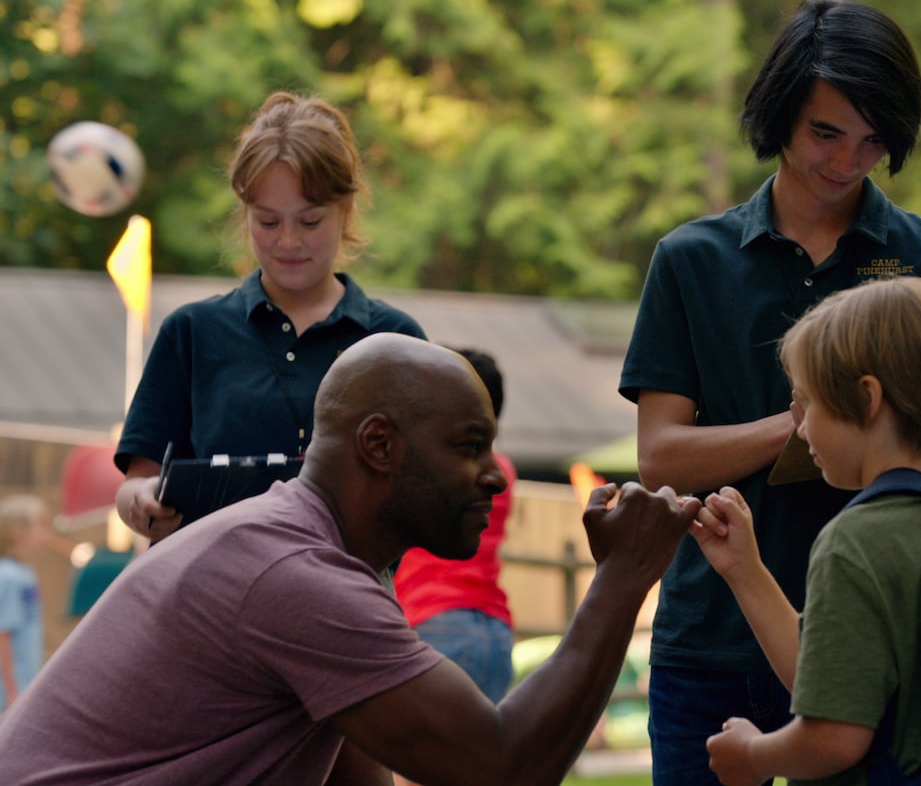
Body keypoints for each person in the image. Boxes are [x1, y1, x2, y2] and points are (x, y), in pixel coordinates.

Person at [0, 333, 702, 785]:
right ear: (378, 446)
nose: (493, 475)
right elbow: (501, 763)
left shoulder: (317, 557)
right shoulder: (295, 576)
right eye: (467, 446)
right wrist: (622, 577)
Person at [618, 0, 921, 783]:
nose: (846, 162)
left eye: (872, 141)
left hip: (878, 636)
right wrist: (804, 427)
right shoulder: (691, 260)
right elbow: (658, 460)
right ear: (780, 112)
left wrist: (838, 433)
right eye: (827, 133)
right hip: (713, 640)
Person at [693, 276, 921, 785]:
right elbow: (828, 676)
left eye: (807, 403)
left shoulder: (855, 542)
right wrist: (744, 569)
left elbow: (834, 734)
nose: (800, 428)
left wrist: (754, 755)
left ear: (867, 398)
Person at [115, 91, 426, 543]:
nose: (288, 241)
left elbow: (421, 488)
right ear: (245, 214)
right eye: (268, 222)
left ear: (346, 210)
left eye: (310, 221)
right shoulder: (192, 332)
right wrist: (144, 502)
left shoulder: (395, 340)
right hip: (211, 598)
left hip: (344, 601)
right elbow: (135, 483)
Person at [393, 347, 517, 705]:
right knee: (481, 756)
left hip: (435, 618)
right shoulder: (503, 469)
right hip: (494, 628)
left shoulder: (440, 465)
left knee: (419, 758)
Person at [0, 495, 46, 713]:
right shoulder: (9, 576)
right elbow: (3, 634)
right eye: (40, 527)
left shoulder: (24, 573)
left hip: (25, 684)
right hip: (12, 690)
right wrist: (11, 690)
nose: (45, 535)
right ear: (18, 533)